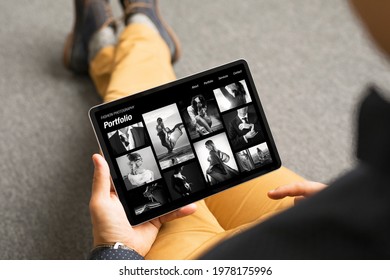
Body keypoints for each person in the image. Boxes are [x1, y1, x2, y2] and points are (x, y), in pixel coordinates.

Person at [65, 0, 390, 259]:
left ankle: (127, 39)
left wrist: (116, 251)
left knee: (137, 103)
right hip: (315, 224)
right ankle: (119, 40)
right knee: (153, 109)